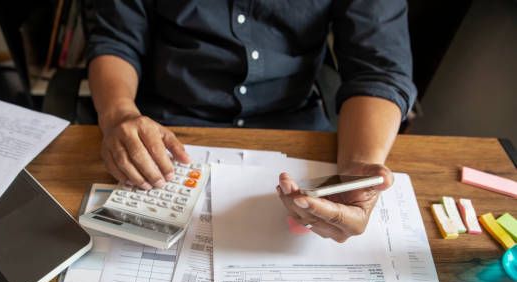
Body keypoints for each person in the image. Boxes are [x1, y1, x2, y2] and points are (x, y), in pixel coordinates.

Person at [87, 1, 416, 242]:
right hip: (168, 130)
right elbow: (116, 38)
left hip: (293, 126)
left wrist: (359, 164)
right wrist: (118, 114)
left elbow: (378, 67)